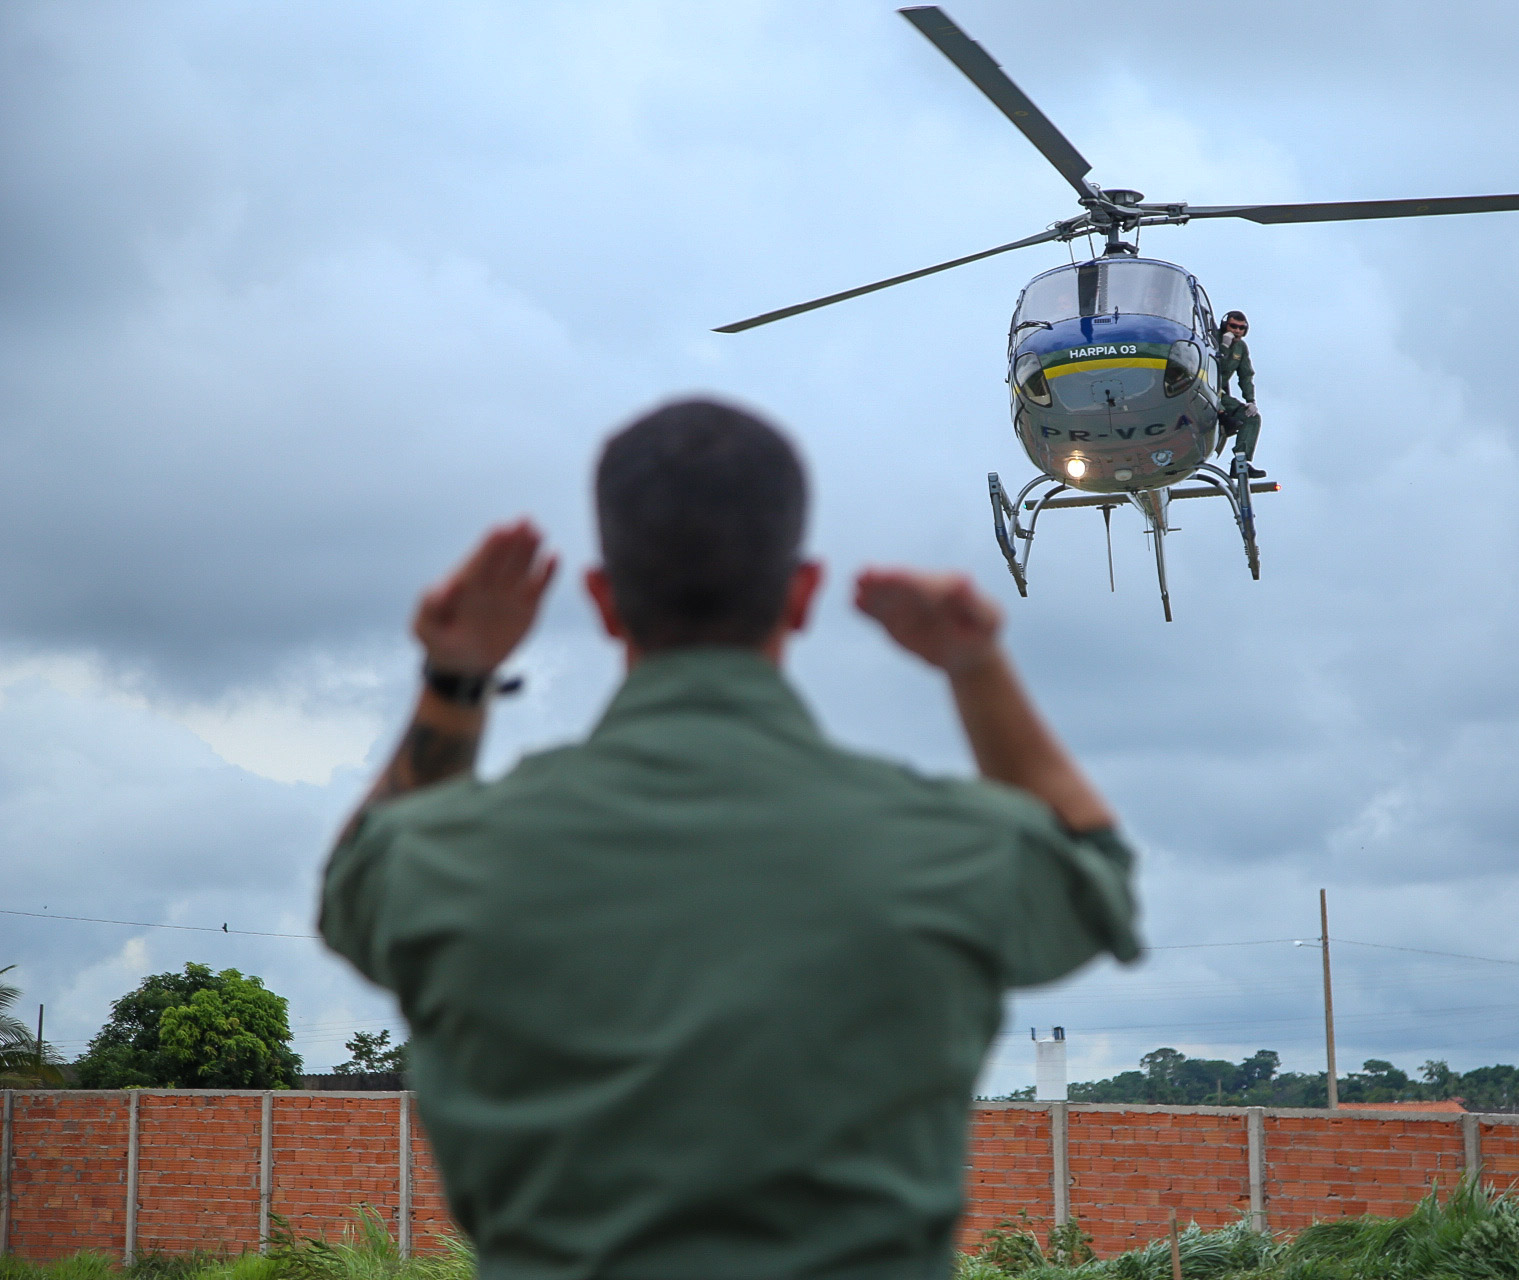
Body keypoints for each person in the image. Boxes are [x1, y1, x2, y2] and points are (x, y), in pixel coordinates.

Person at [319, 398, 1139, 1280]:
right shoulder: (953, 845)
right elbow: (1095, 875)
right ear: (804, 595)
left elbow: (356, 885)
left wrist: (457, 676)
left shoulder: (450, 856)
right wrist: (977, 668)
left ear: (601, 600)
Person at [1215, 310, 1265, 479]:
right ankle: (1222, 417)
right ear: (1225, 326)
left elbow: (1245, 375)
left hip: (1219, 394)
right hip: (1199, 389)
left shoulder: (1241, 348)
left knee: (1252, 417)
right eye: (1233, 326)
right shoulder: (1212, 339)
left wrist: (1250, 400)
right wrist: (1223, 346)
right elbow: (1215, 367)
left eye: (1241, 328)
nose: (1237, 331)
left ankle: (1240, 461)